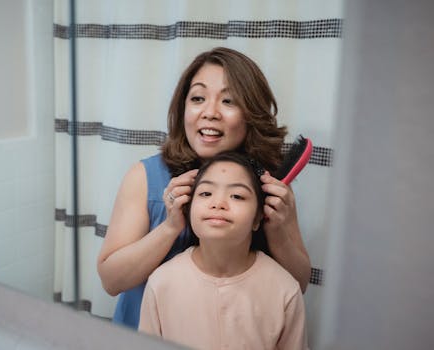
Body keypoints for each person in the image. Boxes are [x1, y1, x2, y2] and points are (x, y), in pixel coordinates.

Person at [97, 47, 311, 329]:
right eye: (198, 98)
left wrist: (278, 232)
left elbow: (298, 284)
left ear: (251, 115)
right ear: (183, 107)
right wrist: (170, 227)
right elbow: (111, 281)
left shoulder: (270, 188)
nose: (210, 113)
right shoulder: (144, 177)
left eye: (229, 101)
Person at [138, 151, 308, 350]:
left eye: (237, 196)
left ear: (258, 218)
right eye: (205, 193)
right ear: (187, 208)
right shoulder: (162, 282)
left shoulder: (284, 289)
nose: (218, 204)